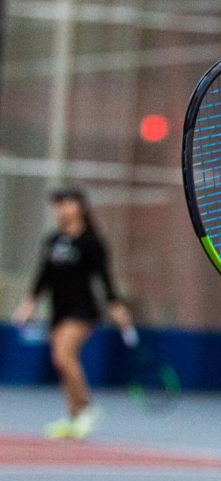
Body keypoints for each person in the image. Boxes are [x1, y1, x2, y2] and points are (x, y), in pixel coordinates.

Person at [12, 186, 134, 439]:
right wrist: (29, 303)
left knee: (64, 355)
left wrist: (117, 307)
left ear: (80, 207)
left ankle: (87, 408)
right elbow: (42, 277)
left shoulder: (92, 242)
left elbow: (105, 279)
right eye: (58, 204)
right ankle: (74, 416)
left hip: (83, 310)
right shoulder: (53, 240)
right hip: (59, 310)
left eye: (67, 203)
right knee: (60, 361)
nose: (62, 209)